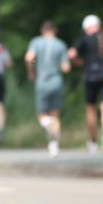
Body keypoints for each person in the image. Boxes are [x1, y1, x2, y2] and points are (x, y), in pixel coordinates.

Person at [68, 15, 103, 153]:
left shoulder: (84, 39)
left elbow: (71, 54)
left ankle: (92, 141)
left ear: (87, 27)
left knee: (91, 108)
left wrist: (79, 62)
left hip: (90, 76)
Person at [25, 21, 71, 157]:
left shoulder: (37, 42)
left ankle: (47, 124)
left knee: (42, 114)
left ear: (42, 30)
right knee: (55, 113)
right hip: (56, 81)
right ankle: (54, 145)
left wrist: (31, 70)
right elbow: (66, 68)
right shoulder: (61, 45)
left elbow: (29, 58)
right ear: (55, 31)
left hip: (42, 81)